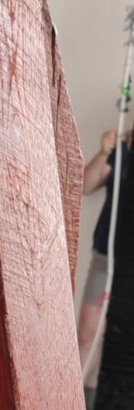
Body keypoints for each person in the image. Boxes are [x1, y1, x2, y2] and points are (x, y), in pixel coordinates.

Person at [78, 128, 131, 385]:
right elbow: (85, 185)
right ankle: (69, 405)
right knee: (88, 335)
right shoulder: (123, 148)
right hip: (107, 259)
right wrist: (104, 153)